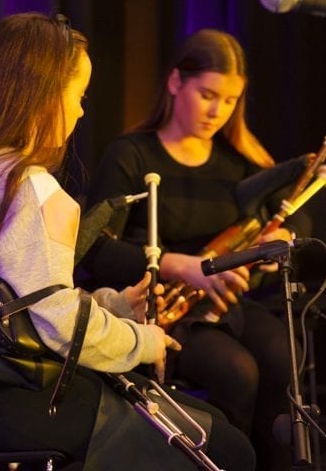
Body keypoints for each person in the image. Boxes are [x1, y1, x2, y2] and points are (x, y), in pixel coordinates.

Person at [0, 13, 256, 470]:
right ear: (45, 96)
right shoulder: (30, 189)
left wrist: (112, 306)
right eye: (79, 95)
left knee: (208, 426)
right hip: (27, 403)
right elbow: (56, 322)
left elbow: (18, 308)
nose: (82, 110)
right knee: (230, 448)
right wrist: (143, 341)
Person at [76, 28, 312, 470]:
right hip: (160, 307)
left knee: (287, 359)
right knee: (237, 373)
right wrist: (179, 265)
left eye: (230, 101)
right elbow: (95, 253)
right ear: (174, 82)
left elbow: (293, 216)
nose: (218, 111)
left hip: (228, 303)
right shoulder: (130, 156)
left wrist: (283, 239)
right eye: (208, 95)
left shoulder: (237, 163)